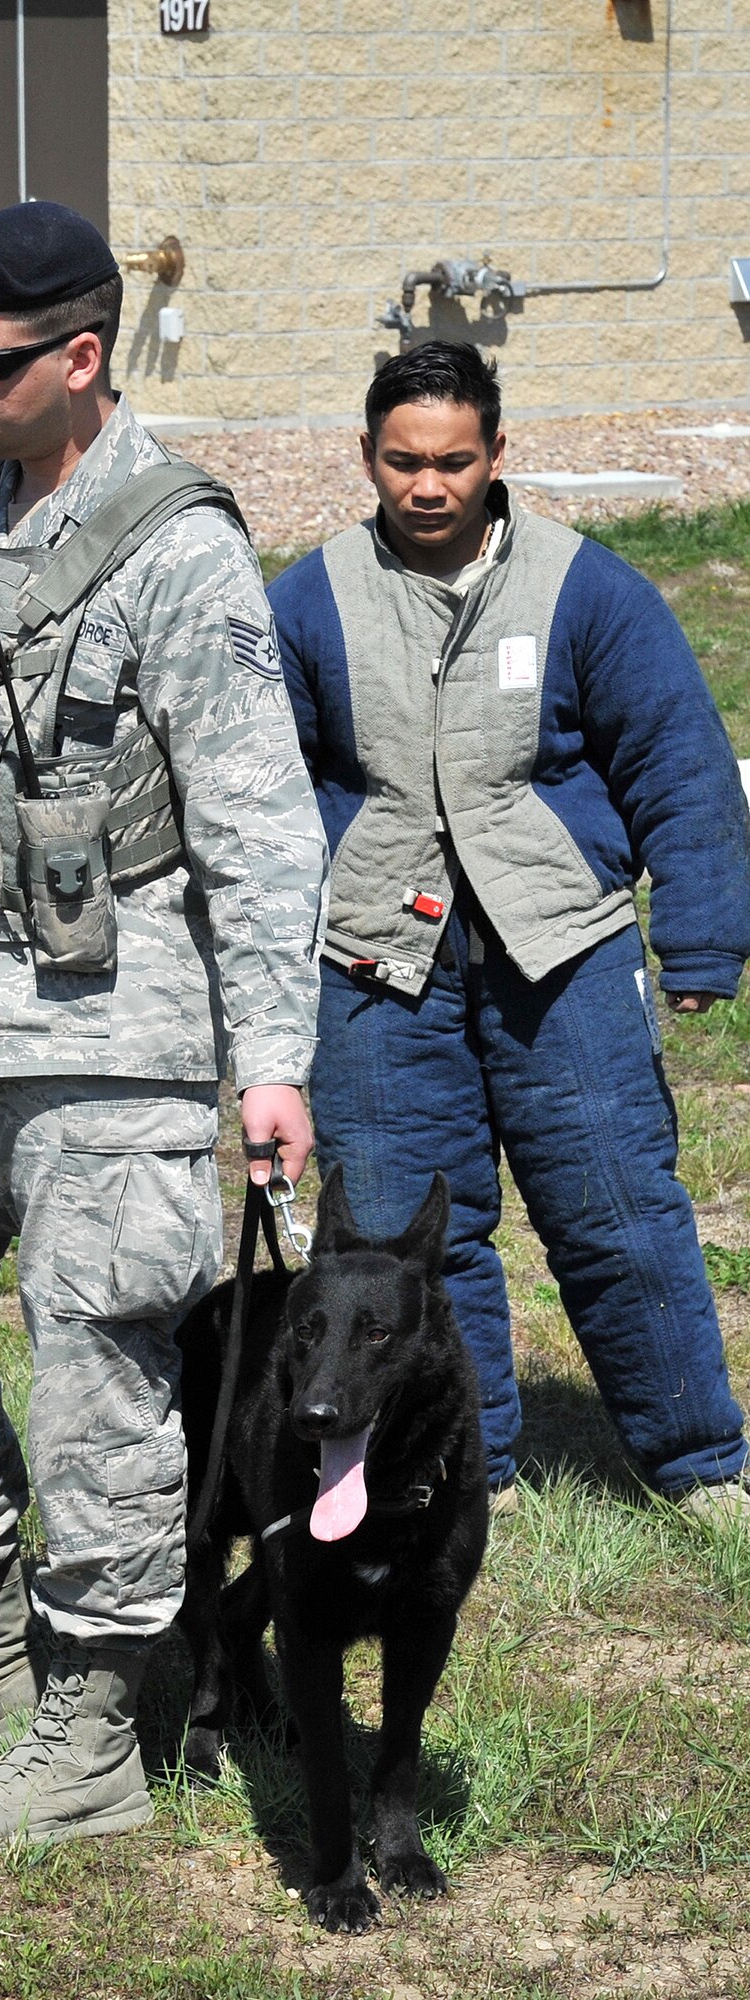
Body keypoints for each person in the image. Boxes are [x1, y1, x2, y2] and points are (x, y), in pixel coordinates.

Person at [0, 202, 327, 1847]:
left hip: (119, 1039)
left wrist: (273, 1065)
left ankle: (95, 1732)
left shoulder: (173, 546)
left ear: (80, 357)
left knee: (95, 1358)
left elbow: (256, 818)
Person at [271, 340, 750, 1520]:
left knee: (617, 1206)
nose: (426, 486)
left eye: (452, 461)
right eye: (400, 462)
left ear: (497, 454)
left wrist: (697, 940)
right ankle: (463, 1462)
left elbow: (679, 764)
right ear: (366, 456)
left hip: (563, 943)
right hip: (376, 955)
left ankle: (698, 1460)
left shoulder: (589, 588)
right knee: (395, 1231)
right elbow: (257, 787)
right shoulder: (306, 597)